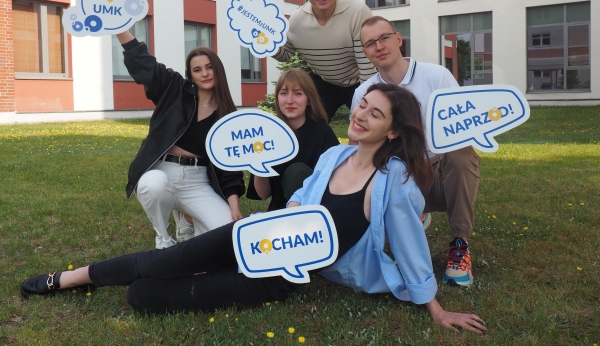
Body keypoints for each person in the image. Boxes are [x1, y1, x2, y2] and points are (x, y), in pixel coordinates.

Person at [20, 84, 486, 335]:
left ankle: (187, 276)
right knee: (162, 261)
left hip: (281, 275)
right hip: (257, 235)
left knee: (143, 297)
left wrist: (436, 308)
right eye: (362, 106)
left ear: (393, 132)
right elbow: (303, 199)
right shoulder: (334, 155)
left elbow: (409, 243)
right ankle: (70, 278)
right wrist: (291, 203)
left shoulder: (394, 181)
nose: (361, 115)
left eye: (375, 114)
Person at [351, 16, 482, 287]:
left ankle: (460, 245)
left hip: (438, 171)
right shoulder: (364, 92)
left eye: (384, 38)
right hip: (396, 176)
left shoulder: (436, 76)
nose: (379, 46)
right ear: (365, 52)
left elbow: (463, 126)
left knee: (461, 151)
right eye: (371, 43)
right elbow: (358, 146)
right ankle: (409, 214)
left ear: (398, 39)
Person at [115, 31, 245, 249]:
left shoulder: (228, 116)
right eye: (197, 70)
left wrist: (234, 207)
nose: (205, 74)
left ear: (218, 70)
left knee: (228, 235)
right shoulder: (173, 89)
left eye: (209, 67)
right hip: (163, 172)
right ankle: (164, 237)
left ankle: (188, 219)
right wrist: (119, 28)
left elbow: (229, 168)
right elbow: (144, 65)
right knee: (153, 184)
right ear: (190, 75)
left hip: (198, 182)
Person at [272, 0, 376, 121]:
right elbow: (285, 55)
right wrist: (263, 42)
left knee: (370, 125)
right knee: (307, 126)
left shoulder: (358, 13)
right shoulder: (297, 21)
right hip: (323, 82)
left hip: (358, 80)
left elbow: (367, 70)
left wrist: (366, 107)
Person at [246, 69, 339, 210]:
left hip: (314, 211)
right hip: (279, 212)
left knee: (296, 171)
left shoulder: (323, 133)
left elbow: (337, 182)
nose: (289, 100)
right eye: (283, 93)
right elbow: (263, 194)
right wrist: (259, 164)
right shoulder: (267, 135)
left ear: (309, 99)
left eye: (298, 93)